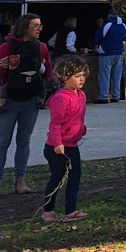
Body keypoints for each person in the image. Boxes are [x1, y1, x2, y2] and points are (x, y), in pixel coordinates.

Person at [0, 13, 53, 199]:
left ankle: (20, 180)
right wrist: (4, 66)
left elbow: (49, 75)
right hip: (9, 100)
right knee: (2, 142)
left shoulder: (42, 48)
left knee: (24, 141)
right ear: (24, 27)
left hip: (31, 100)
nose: (39, 29)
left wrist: (43, 67)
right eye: (35, 25)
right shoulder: (7, 46)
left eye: (40, 25)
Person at [40, 54, 89, 222]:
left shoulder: (81, 95)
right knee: (57, 178)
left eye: (83, 75)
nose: (81, 79)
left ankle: (71, 210)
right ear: (65, 77)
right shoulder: (61, 98)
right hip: (57, 147)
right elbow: (55, 124)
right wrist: (58, 143)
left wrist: (81, 129)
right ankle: (47, 210)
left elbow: (77, 117)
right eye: (77, 76)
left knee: (75, 176)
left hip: (72, 146)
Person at [94, 11, 126, 103]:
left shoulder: (107, 25)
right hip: (119, 53)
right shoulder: (123, 26)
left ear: (109, 16)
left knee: (105, 75)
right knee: (117, 75)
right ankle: (116, 96)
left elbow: (97, 38)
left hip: (106, 53)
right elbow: (125, 38)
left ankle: (103, 97)